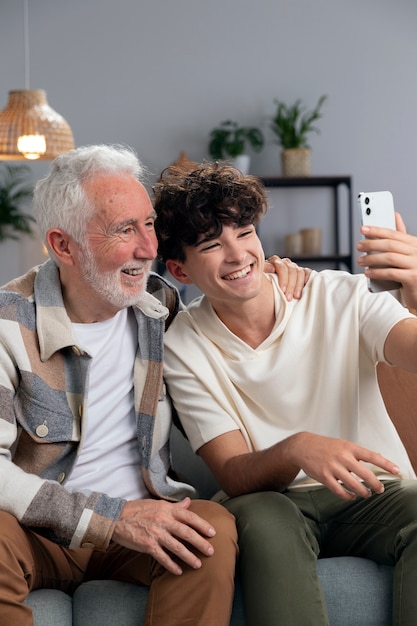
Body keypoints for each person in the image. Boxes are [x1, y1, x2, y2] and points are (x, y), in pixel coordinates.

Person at [153, 161, 417, 626]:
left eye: (246, 233)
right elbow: (234, 473)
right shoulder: (181, 345)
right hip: (270, 500)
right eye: (213, 245)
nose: (238, 256)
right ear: (180, 269)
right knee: (266, 515)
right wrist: (298, 447)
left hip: (369, 492)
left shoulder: (340, 295)